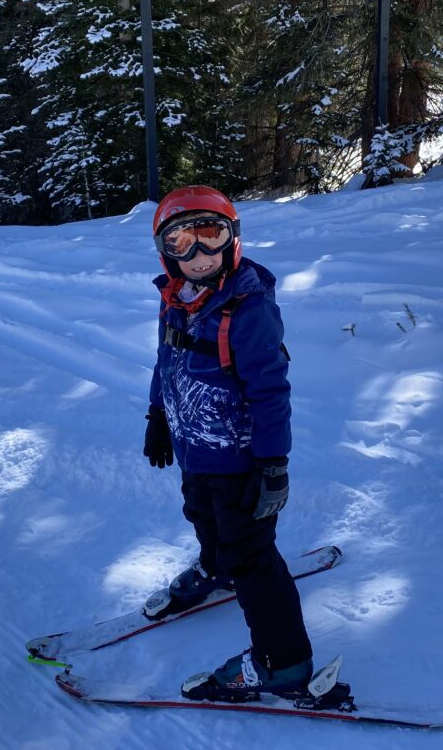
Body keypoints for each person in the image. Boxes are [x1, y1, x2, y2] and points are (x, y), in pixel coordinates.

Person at [143, 185, 315, 699]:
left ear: (232, 239)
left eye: (209, 235)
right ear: (165, 251)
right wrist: (157, 413)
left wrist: (272, 465)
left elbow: (270, 390)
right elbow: (166, 361)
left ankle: (283, 664)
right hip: (197, 448)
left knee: (253, 558)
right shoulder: (176, 301)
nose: (197, 255)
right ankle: (215, 568)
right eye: (181, 241)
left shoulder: (247, 308)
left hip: (242, 459)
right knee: (200, 512)